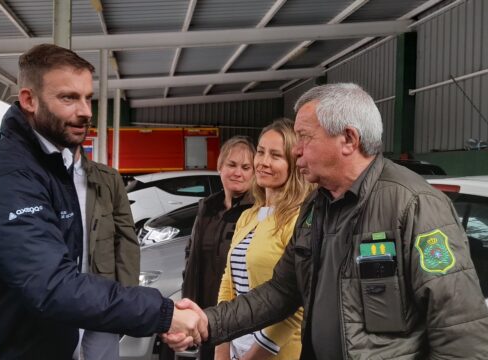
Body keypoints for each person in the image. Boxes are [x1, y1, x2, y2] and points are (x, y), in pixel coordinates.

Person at [166, 83, 488, 358]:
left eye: (304, 137)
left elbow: (458, 326)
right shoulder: (315, 208)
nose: (296, 152)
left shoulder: (414, 205)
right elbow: (281, 291)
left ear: (348, 139)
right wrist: (209, 322)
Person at [0, 43, 201, 359]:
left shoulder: (48, 162)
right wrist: (163, 313)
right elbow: (52, 285)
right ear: (29, 100)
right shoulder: (9, 178)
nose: (85, 111)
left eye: (87, 98)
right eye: (68, 98)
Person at [215, 119, 313, 360]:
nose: (264, 162)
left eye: (276, 155)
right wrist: (221, 346)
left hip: (277, 353)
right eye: (260, 152)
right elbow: (229, 284)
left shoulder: (299, 220)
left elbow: (297, 305)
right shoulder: (248, 216)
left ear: (292, 163)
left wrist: (256, 355)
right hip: (236, 347)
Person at [181, 136, 255, 360]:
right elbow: (191, 255)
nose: (238, 173)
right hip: (203, 312)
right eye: (231, 165)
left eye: (245, 167)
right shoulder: (208, 207)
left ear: (254, 173)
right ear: (220, 167)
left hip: (238, 318)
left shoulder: (257, 211)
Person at [71, 146, 140, 359]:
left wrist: (127, 298)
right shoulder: (40, 179)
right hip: (58, 299)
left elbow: (126, 240)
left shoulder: (108, 179)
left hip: (103, 297)